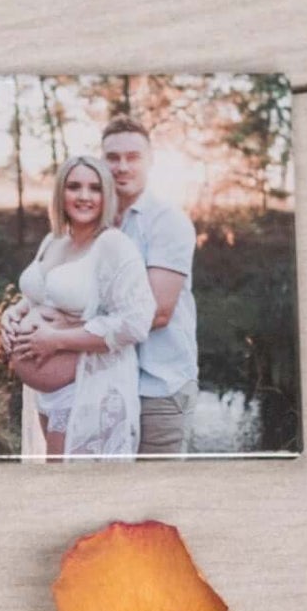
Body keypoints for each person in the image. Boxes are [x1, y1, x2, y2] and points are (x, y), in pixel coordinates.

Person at [0, 153, 155, 458]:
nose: (84, 196)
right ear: (61, 192)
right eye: (74, 187)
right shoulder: (53, 240)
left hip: (86, 389)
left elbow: (137, 321)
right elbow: (40, 297)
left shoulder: (114, 245)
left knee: (68, 482)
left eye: (95, 188)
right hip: (44, 394)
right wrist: (13, 313)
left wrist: (56, 340)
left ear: (106, 195)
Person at [102, 114, 200, 458]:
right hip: (110, 383)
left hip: (159, 385)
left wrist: (62, 334)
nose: (122, 167)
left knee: (156, 486)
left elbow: (157, 313)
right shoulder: (98, 222)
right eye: (113, 157)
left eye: (133, 157)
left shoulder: (167, 221)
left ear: (150, 161)